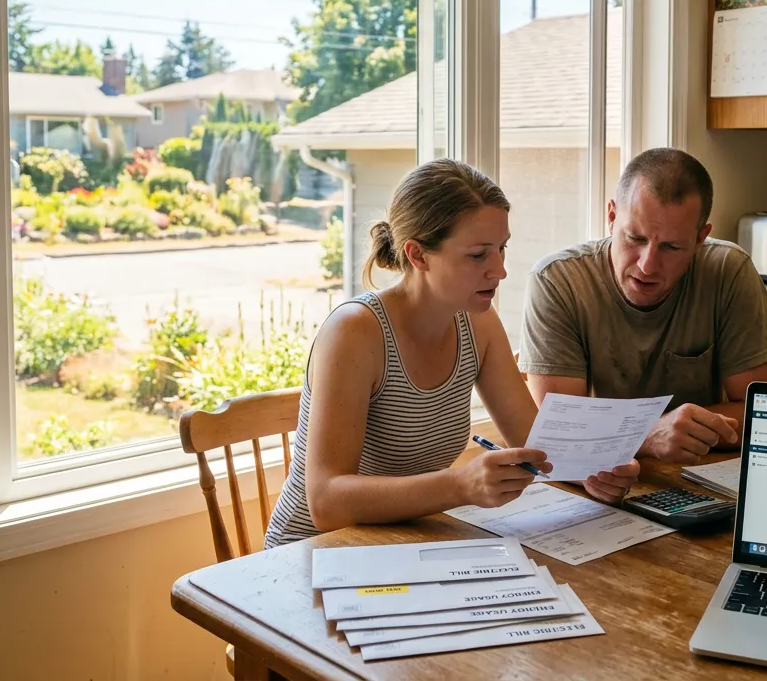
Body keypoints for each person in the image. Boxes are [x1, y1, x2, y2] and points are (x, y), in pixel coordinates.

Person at [264, 159, 638, 548]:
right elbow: (326, 503)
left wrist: (598, 469)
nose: (500, 271)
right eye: (478, 255)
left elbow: (538, 446)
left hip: (405, 542)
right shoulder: (355, 331)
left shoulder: (478, 323)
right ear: (418, 255)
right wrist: (459, 485)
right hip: (311, 552)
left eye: (501, 249)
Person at [519, 147, 767, 466]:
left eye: (671, 247)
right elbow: (561, 430)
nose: (647, 265)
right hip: (598, 478)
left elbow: (766, 414)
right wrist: (648, 435)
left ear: (701, 239)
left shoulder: (729, 271)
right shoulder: (558, 281)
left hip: (696, 474)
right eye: (635, 238)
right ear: (611, 216)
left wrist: (627, 433)